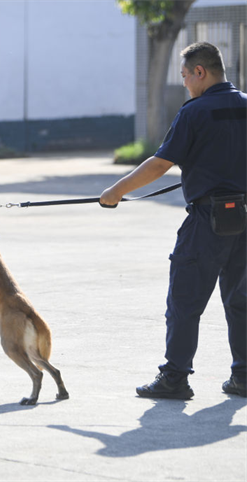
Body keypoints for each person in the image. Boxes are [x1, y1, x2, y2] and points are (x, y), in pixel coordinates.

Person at [100, 42, 247, 400]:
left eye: (185, 76)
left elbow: (160, 163)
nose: (184, 84)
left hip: (207, 222)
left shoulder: (194, 112)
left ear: (200, 72)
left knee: (184, 300)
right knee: (242, 300)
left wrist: (116, 191)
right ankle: (243, 377)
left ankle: (175, 378)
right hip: (244, 219)